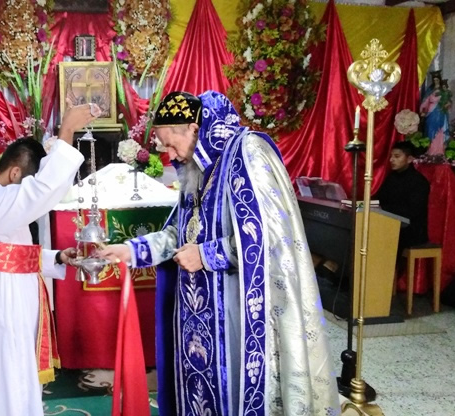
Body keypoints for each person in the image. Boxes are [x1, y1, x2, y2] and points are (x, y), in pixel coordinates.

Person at [98, 91, 339, 416]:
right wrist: (130, 250)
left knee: (236, 393)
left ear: (194, 129)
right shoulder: (196, 169)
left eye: (172, 145)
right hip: (196, 313)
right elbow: (178, 232)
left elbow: (270, 237)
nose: (171, 156)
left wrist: (206, 255)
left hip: (239, 311)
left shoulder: (248, 153)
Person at [0, 102, 99, 415]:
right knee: (4, 386)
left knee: (17, 382)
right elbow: (38, 193)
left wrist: (56, 257)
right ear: (15, 173)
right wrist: (66, 132)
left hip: (8, 305)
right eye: (27, 181)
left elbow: (10, 253)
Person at [373, 141, 430, 252]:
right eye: (391, 156)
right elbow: (380, 198)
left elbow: (413, 211)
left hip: (411, 230)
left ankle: (386, 264)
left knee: (384, 238)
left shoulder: (419, 182)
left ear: (409, 159)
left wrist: (384, 209)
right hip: (390, 224)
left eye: (397, 156)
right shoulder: (391, 178)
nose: (391, 160)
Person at [421, 71, 451, 156]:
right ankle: (430, 150)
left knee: (440, 130)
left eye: (437, 80)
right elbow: (426, 100)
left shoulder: (443, 90)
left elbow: (448, 100)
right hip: (431, 112)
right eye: (434, 80)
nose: (436, 82)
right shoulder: (430, 90)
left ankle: (439, 150)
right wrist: (423, 110)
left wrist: (448, 104)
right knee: (430, 130)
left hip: (441, 112)